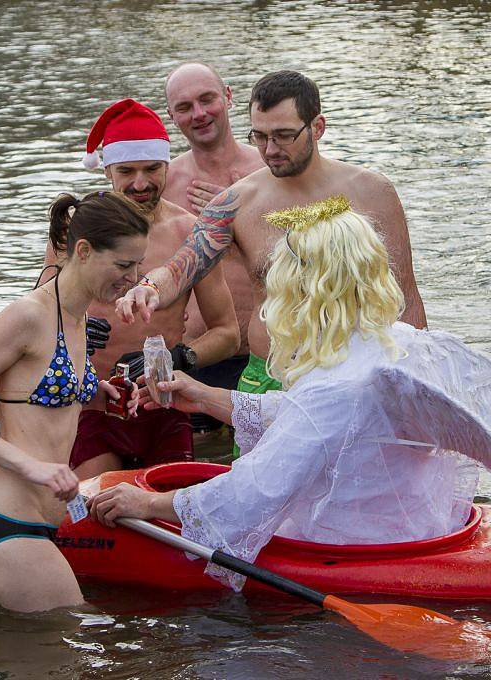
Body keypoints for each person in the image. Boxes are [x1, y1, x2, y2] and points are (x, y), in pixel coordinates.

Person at [91, 196, 491, 590]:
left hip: (359, 546)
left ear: (304, 292)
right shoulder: (400, 341)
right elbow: (329, 420)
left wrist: (147, 505)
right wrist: (204, 397)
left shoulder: (334, 388)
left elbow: (252, 493)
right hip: (421, 526)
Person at [116, 70, 427, 456]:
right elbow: (187, 261)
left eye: (283, 135)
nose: (269, 149)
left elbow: (406, 300)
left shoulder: (372, 192)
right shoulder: (238, 201)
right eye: (259, 136)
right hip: (268, 378)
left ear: (318, 126)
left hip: (353, 379)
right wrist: (149, 288)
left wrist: (418, 385)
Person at [0, 191, 148, 612]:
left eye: (138, 264)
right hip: (7, 525)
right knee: (68, 652)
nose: (134, 277)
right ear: (83, 251)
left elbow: (38, 398)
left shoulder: (80, 316)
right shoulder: (27, 315)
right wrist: (31, 465)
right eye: (124, 265)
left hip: (46, 523)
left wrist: (95, 396)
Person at [59, 98, 239, 478]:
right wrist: (67, 332)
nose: (140, 184)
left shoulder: (191, 232)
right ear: (107, 169)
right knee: (96, 502)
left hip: (163, 406)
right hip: (91, 405)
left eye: (151, 169)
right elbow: (38, 311)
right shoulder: (75, 230)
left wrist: (180, 357)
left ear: (167, 166)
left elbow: (226, 333)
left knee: (172, 512)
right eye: (127, 171)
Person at [163, 63, 264, 435]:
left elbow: (310, 258)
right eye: (185, 106)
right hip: (195, 357)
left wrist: (230, 223)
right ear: (172, 116)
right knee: (201, 467)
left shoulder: (269, 170)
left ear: (228, 97)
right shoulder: (162, 181)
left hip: (268, 353)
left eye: (207, 100)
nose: (200, 114)